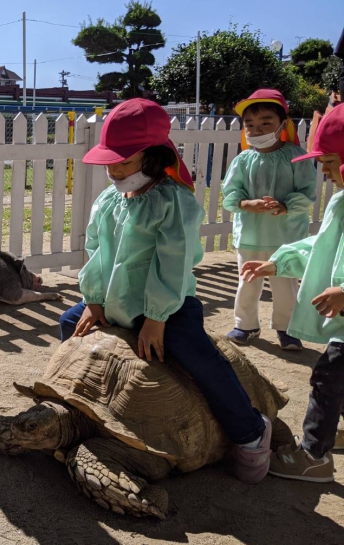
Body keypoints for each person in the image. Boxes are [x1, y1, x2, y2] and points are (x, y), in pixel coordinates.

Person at [58, 99, 272, 484]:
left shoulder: (174, 201)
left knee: (198, 356)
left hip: (167, 305)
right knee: (70, 322)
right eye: (109, 162)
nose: (113, 170)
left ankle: (250, 431)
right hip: (115, 300)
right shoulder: (109, 199)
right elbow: (95, 248)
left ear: (152, 155)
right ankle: (80, 409)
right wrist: (92, 299)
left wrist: (157, 318)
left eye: (123, 162)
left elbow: (174, 263)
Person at [242, 104, 344, 482]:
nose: (325, 172)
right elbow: (323, 246)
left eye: (331, 162)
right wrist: (279, 263)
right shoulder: (342, 200)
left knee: (327, 380)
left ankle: (314, 455)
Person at [222, 89, 316, 350]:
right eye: (250, 124)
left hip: (286, 238)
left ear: (283, 124)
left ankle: (287, 329)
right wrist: (245, 204)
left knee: (286, 285)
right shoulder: (243, 160)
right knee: (247, 281)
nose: (257, 130)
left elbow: (308, 192)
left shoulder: (296, 157)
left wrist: (286, 206)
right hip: (250, 235)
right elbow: (231, 193)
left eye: (266, 123)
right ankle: (245, 325)